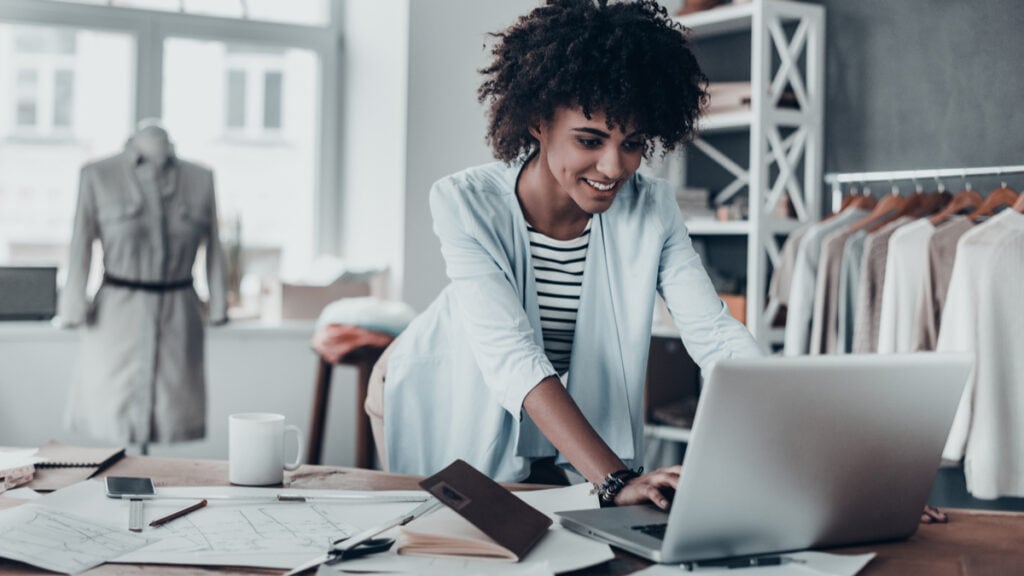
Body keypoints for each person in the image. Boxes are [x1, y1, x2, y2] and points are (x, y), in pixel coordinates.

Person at [365, 0, 761, 508]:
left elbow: (712, 332)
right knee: (460, 542)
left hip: (545, 403)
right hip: (436, 383)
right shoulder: (464, 203)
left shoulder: (652, 209)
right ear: (537, 121)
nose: (614, 166)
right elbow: (512, 356)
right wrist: (615, 480)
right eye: (589, 139)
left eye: (633, 142)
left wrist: (783, 415)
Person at [60, 120, 227, 449]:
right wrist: (73, 308)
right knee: (116, 414)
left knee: (168, 411)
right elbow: (79, 245)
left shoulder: (200, 179)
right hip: (116, 317)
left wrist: (219, 306)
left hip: (178, 312)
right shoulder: (97, 175)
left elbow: (216, 248)